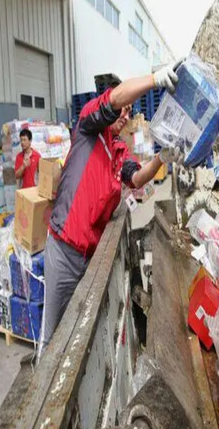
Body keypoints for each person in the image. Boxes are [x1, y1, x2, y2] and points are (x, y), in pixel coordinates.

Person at [38, 64, 184, 359]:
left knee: (78, 331)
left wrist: (160, 158)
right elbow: (113, 100)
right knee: (52, 332)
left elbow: (137, 178)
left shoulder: (118, 152)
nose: (125, 115)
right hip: (65, 250)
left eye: (130, 112)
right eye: (124, 109)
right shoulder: (89, 128)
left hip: (89, 258)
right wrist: (155, 79)